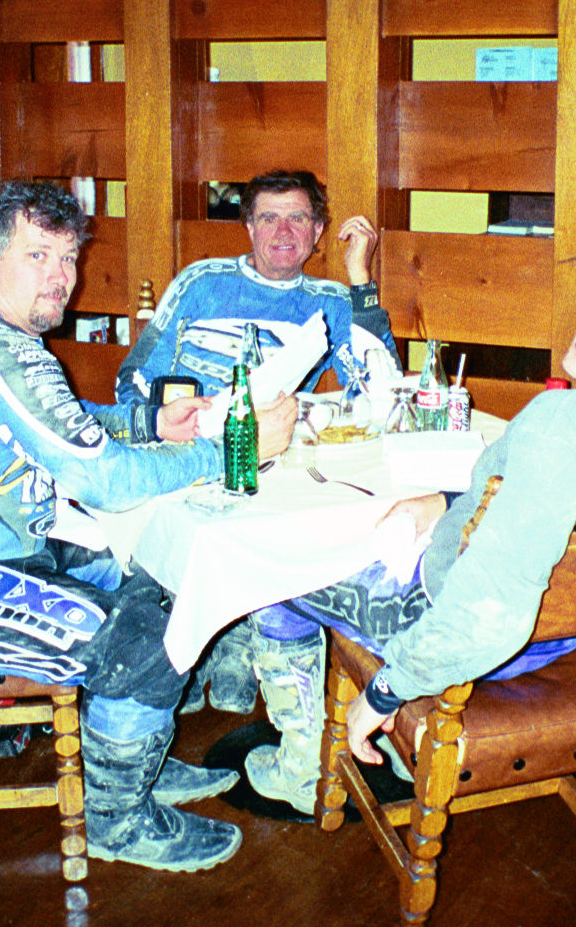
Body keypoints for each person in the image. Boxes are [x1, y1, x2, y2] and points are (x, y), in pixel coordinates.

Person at [0, 180, 294, 872]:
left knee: (158, 578)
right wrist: (233, 449)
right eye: (38, 256)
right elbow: (107, 482)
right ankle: (117, 820)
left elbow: (62, 421)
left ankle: (129, 764)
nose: (61, 276)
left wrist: (150, 422)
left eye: (67, 257)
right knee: (143, 640)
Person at [241, 245, 576, 812]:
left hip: (464, 627)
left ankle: (302, 766)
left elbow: (489, 615)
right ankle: (397, 752)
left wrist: (386, 690)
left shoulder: (561, 421)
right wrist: (446, 501)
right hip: (559, 632)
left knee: (268, 561)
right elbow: (547, 508)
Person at [113, 170, 399, 716]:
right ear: (248, 227)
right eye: (268, 218)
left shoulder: (330, 300)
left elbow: (379, 389)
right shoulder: (201, 282)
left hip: (267, 456)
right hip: (187, 445)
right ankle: (201, 645)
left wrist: (360, 278)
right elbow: (135, 380)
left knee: (284, 527)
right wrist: (163, 424)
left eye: (298, 218)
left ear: (318, 232)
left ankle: (244, 639)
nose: (283, 232)